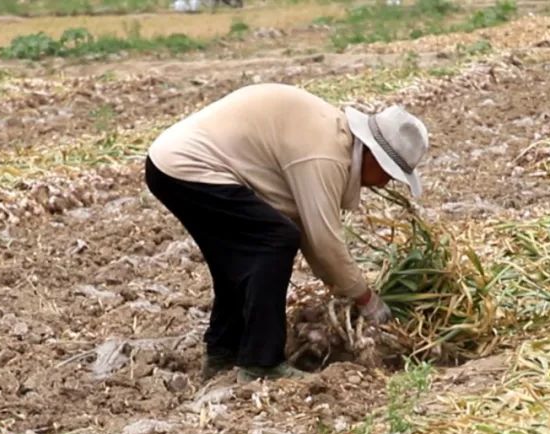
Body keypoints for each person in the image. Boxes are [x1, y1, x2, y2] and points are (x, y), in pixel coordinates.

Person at [145, 83, 429, 382]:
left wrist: (341, 285)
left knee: (240, 261)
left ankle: (223, 352)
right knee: (275, 239)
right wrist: (366, 299)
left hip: (173, 165)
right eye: (389, 173)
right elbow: (324, 242)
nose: (385, 184)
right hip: (189, 167)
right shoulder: (327, 156)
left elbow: (312, 234)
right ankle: (261, 363)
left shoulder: (331, 137)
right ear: (373, 155)